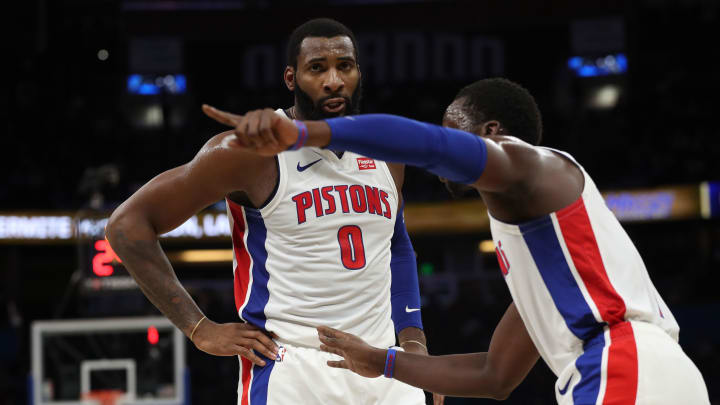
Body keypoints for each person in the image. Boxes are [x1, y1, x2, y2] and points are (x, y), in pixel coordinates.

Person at [201, 77, 711, 404]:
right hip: (657, 373)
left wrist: (308, 135)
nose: (445, 151)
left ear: (491, 131)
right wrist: (382, 362)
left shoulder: (527, 162)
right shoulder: (543, 239)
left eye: (456, 130)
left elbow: (426, 145)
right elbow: (495, 375)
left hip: (623, 364)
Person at [107, 18, 433, 405]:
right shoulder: (250, 153)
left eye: (344, 66)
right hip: (294, 372)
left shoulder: (387, 147)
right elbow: (127, 227)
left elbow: (397, 245)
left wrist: (413, 339)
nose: (333, 80)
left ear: (359, 73)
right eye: (317, 68)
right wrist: (199, 328)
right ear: (291, 78)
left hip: (383, 368)